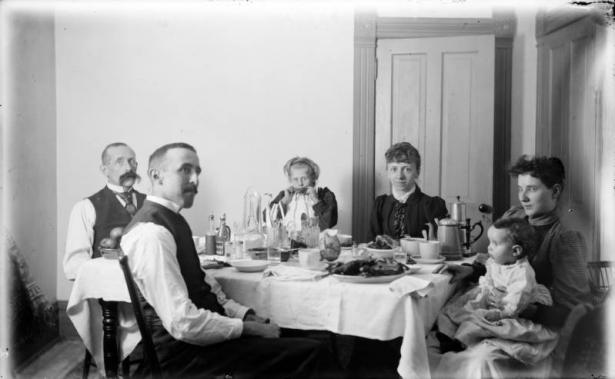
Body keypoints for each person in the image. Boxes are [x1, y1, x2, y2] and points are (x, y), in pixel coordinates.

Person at [120, 143, 334, 378]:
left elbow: (204, 287)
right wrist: (248, 329)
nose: (195, 179)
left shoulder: (172, 221)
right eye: (185, 170)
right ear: (156, 176)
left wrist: (246, 315)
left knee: (310, 338)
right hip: (182, 359)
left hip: (200, 346)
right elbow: (182, 323)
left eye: (197, 172)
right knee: (315, 352)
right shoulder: (151, 233)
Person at [432, 155, 593, 378]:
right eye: (520, 189)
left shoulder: (565, 237)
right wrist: (473, 270)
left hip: (532, 327)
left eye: (532, 189)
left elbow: (574, 310)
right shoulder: (515, 215)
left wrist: (524, 307)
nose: (523, 197)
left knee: (478, 361)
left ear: (555, 191)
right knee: (441, 325)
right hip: (502, 312)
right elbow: (501, 260)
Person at [436, 218, 556, 356]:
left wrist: (501, 313)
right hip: (494, 298)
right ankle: (446, 332)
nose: (489, 247)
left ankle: (459, 343)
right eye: (490, 242)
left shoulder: (522, 273)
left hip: (512, 306)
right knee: (457, 307)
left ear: (515, 251)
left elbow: (517, 299)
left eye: (495, 244)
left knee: (480, 320)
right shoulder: (497, 261)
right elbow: (489, 277)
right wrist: (486, 289)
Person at [63, 142, 146, 280]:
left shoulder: (152, 204)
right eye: (119, 162)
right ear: (104, 169)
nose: (128, 167)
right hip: (109, 294)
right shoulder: (86, 207)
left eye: (132, 162)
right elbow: (73, 266)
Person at [368, 141, 448, 241]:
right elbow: (371, 245)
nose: (399, 176)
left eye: (407, 169)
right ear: (387, 172)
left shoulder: (432, 205)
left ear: (417, 172)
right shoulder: (380, 204)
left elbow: (442, 247)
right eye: (394, 169)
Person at [269, 156, 337, 247]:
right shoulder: (284, 195)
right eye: (295, 179)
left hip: (315, 247)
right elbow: (269, 222)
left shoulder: (325, 196)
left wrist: (316, 201)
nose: (300, 183)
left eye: (304, 178)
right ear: (290, 179)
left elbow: (328, 224)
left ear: (313, 178)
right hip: (287, 246)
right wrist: (284, 202)